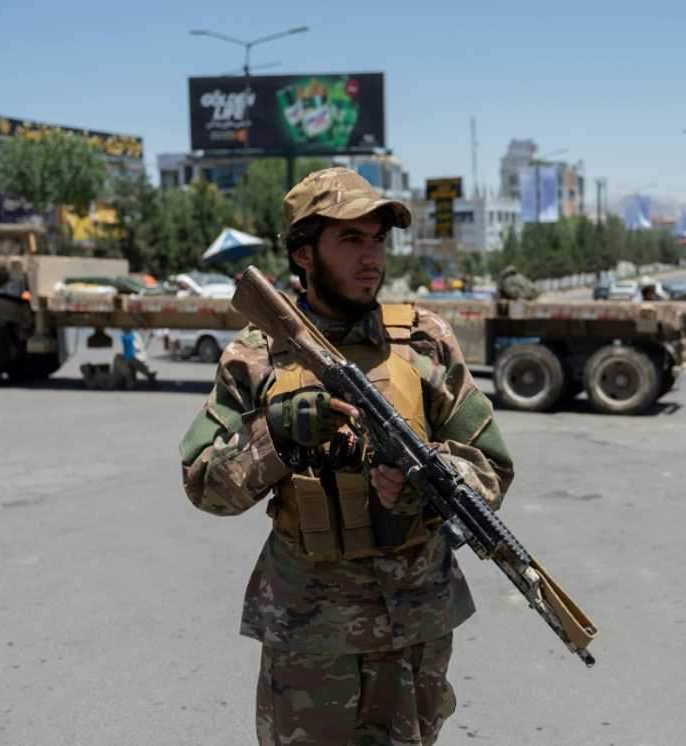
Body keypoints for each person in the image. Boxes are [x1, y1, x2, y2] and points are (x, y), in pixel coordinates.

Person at [178, 167, 514, 745]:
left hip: (413, 622)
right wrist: (278, 434)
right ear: (305, 253)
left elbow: (489, 464)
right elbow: (205, 484)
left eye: (379, 239)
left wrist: (429, 482)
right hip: (310, 629)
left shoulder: (423, 339)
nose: (372, 258)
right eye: (351, 240)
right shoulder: (258, 354)